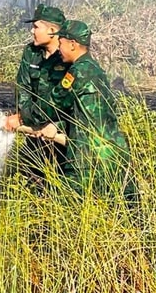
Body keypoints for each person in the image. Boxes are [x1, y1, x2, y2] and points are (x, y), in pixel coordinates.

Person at [39, 20, 135, 199]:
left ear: (73, 44)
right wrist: (57, 125)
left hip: (86, 157)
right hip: (114, 154)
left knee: (64, 210)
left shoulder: (78, 71)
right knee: (123, 211)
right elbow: (84, 109)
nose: (58, 48)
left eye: (61, 43)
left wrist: (21, 118)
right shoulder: (95, 70)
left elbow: (52, 104)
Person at [2, 4, 70, 183]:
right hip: (34, 129)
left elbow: (72, 101)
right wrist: (24, 117)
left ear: (52, 31)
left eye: (36, 27)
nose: (32, 31)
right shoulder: (31, 52)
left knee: (60, 182)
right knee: (28, 177)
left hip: (62, 133)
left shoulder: (69, 57)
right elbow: (23, 87)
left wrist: (56, 124)